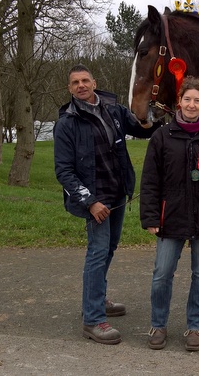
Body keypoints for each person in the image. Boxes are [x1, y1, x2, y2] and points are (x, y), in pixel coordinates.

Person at [54, 64, 159, 345]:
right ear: (70, 88)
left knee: (109, 249)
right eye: (75, 82)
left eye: (85, 80)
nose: (81, 86)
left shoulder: (112, 109)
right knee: (98, 252)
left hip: (117, 194)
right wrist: (90, 202)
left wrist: (158, 118)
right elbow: (63, 171)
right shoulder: (67, 123)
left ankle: (96, 299)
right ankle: (92, 319)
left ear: (94, 82)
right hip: (95, 201)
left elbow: (141, 129)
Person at [140, 76, 199, 352]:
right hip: (170, 217)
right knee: (162, 274)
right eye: (187, 99)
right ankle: (158, 325)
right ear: (178, 102)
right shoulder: (162, 136)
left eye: (197, 100)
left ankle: (196, 326)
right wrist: (149, 217)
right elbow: (150, 180)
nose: (191, 104)